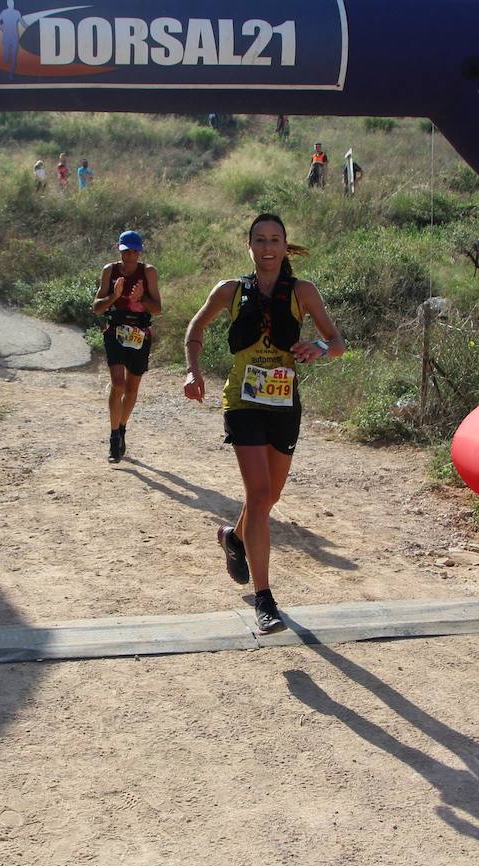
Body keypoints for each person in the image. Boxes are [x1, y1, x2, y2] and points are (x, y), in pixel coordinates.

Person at [182, 213, 345, 632]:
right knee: (257, 494)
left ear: (285, 245)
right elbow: (196, 327)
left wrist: (319, 348)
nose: (268, 248)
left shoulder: (303, 291)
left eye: (275, 240)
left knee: (268, 496)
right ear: (249, 246)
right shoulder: (232, 290)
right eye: (260, 240)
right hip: (243, 401)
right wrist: (192, 370)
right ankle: (265, 598)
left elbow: (337, 341)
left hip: (285, 403)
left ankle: (234, 538)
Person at [91, 230, 161, 463]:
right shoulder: (109, 271)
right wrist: (114, 296)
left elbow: (158, 308)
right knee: (117, 384)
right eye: (125, 251)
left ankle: (121, 428)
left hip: (139, 334)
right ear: (119, 250)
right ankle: (113, 438)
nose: (129, 256)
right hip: (115, 331)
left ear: (139, 251)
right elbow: (97, 308)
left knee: (131, 389)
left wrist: (140, 299)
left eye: (133, 251)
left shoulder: (148, 272)